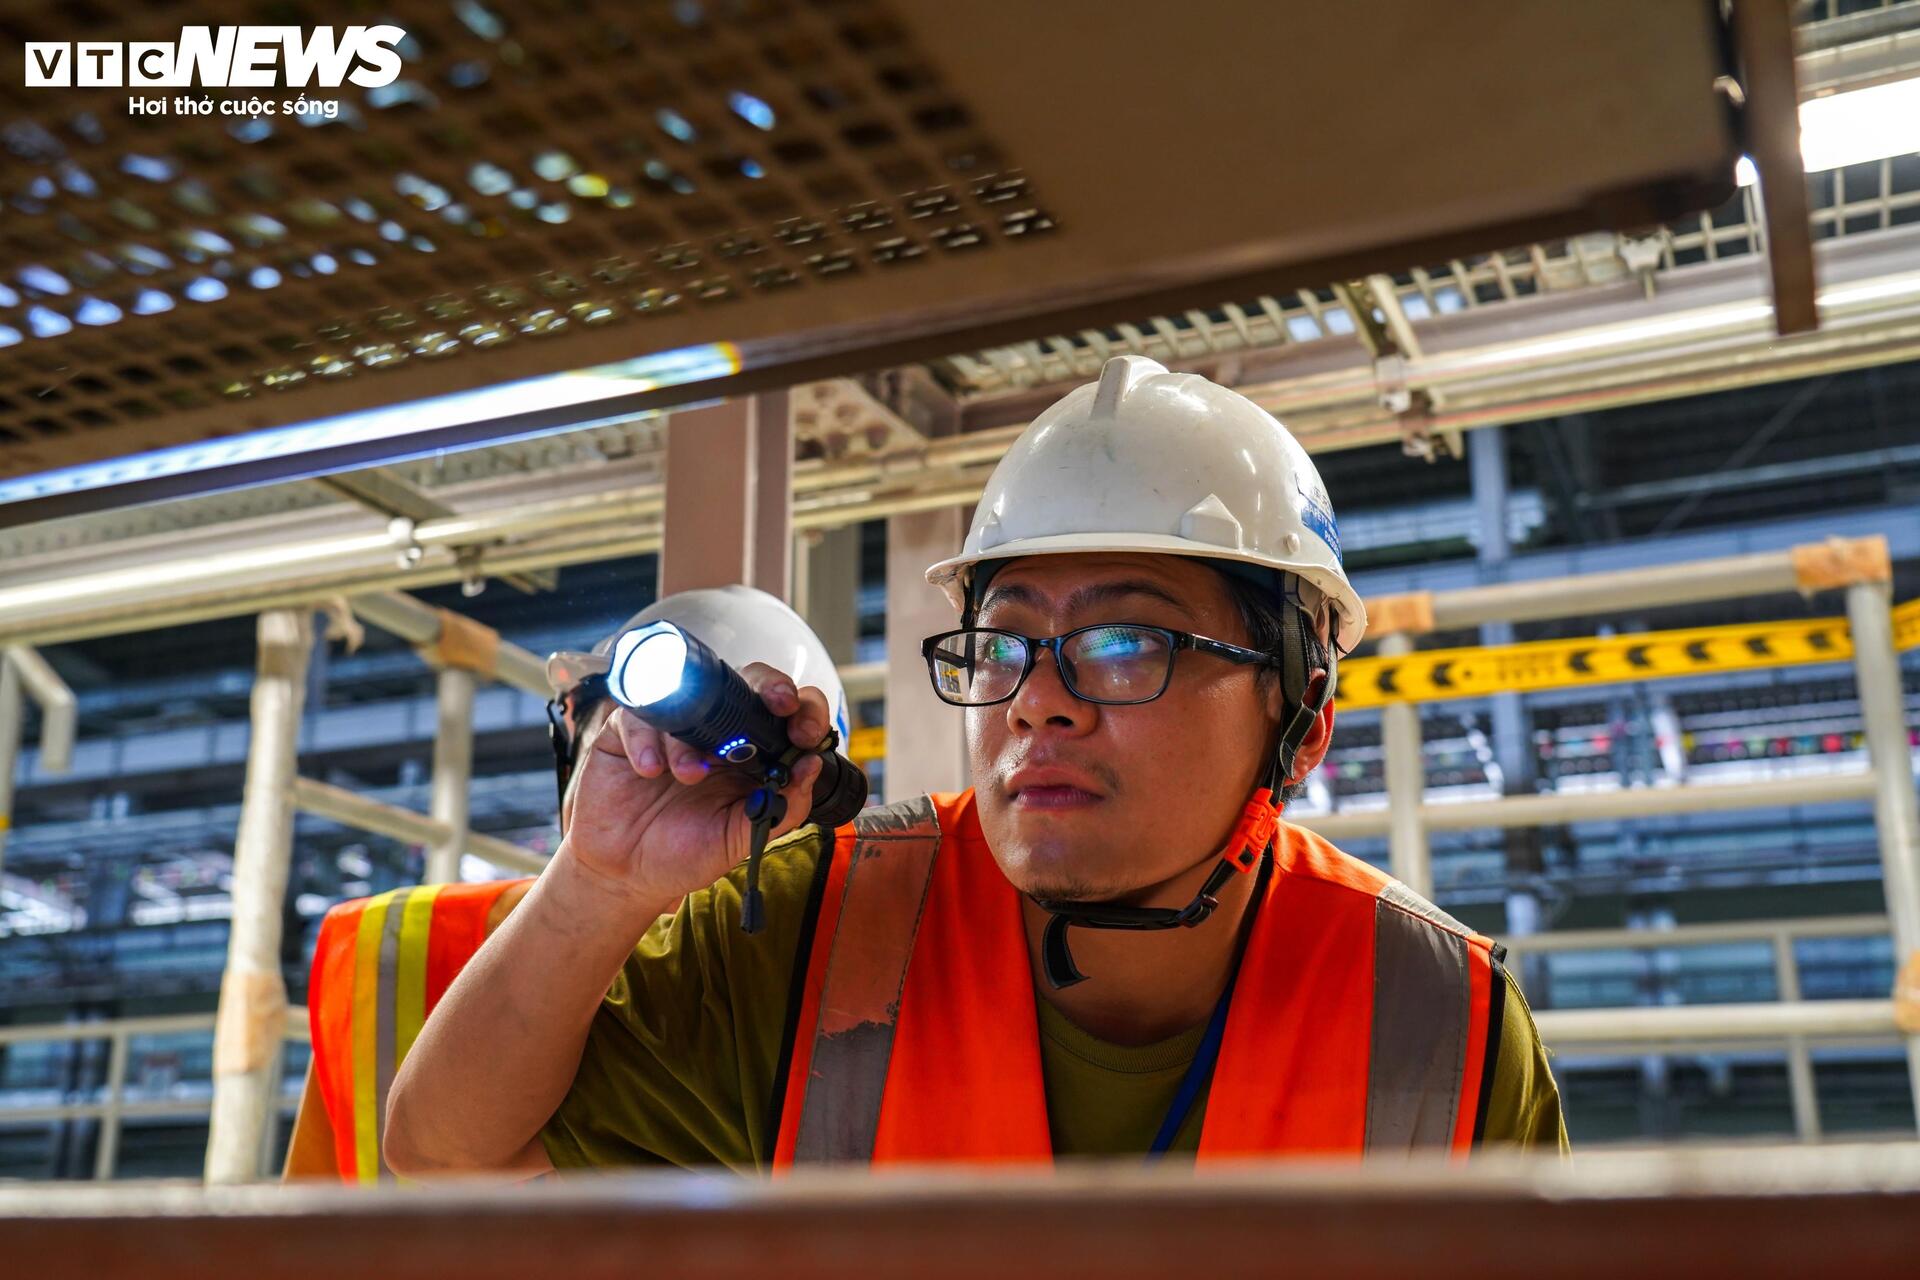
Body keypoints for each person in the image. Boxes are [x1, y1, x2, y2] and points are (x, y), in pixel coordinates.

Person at [384, 356, 1566, 1174]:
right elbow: (443, 1151)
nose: (1038, 703)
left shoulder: (1436, 1018)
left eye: (1125, 642)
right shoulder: (817, 930)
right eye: (1000, 645)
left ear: (1300, 717)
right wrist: (599, 883)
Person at [287, 585, 847, 1181]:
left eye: (725, 759)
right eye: (643, 739)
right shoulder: (401, 949)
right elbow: (421, 1159)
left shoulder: (821, 961)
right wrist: (601, 881)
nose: (678, 781)